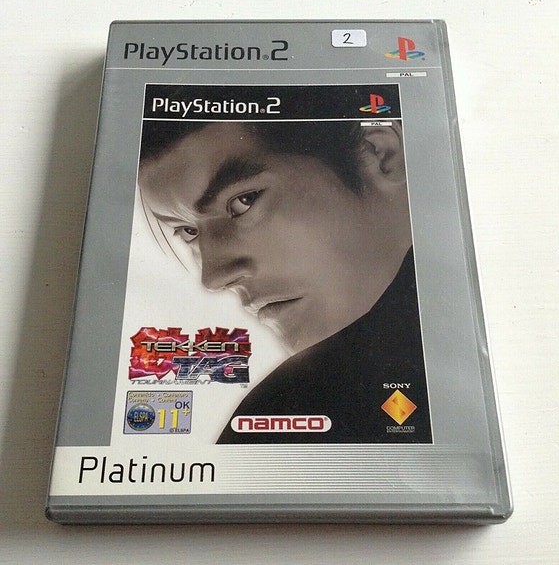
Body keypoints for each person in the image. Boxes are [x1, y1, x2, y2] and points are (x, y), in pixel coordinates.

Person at [138, 117, 432, 444]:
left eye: (244, 200)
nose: (215, 276)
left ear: (378, 153)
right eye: (188, 231)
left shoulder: (278, 409)